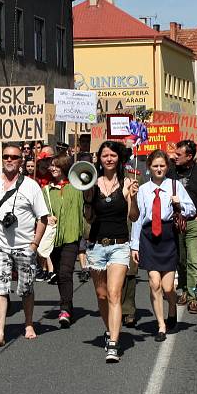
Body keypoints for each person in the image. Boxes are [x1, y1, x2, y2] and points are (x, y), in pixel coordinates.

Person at [0, 144, 49, 348]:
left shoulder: (30, 186)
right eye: (6, 156)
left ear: (21, 161)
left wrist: (34, 245)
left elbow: (42, 218)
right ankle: (0, 332)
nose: (9, 160)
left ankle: (28, 323)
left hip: (24, 245)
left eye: (14, 157)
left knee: (25, 288)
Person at [84, 141, 139, 362]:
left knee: (115, 294)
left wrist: (132, 197)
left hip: (119, 245)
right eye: (104, 155)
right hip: (97, 245)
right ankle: (110, 330)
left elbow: (133, 217)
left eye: (112, 155)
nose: (108, 159)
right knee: (102, 295)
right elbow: (88, 218)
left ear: (119, 159)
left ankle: (114, 343)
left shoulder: (127, 183)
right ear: (99, 159)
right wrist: (87, 199)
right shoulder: (91, 184)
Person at [131, 150, 194, 342]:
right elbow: (137, 219)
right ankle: (161, 324)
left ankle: (172, 307)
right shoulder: (143, 189)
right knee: (154, 283)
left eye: (162, 166)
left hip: (168, 236)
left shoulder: (174, 186)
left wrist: (180, 204)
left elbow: (191, 209)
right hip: (149, 237)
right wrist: (135, 245)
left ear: (167, 167)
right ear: (149, 167)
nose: (159, 169)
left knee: (167, 287)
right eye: (155, 166)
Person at [170, 140, 197, 314]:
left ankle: (194, 297)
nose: (175, 157)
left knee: (194, 260)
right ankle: (185, 290)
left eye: (179, 155)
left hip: (195, 222)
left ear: (189, 156)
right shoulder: (171, 172)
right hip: (176, 222)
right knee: (181, 259)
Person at [43, 153, 84, 327]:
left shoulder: (77, 188)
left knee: (66, 272)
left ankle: (64, 308)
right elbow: (40, 211)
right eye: (51, 165)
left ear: (65, 167)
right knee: (60, 273)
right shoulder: (46, 190)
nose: (53, 168)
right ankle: (67, 303)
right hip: (53, 238)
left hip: (71, 236)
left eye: (57, 165)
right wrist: (47, 217)